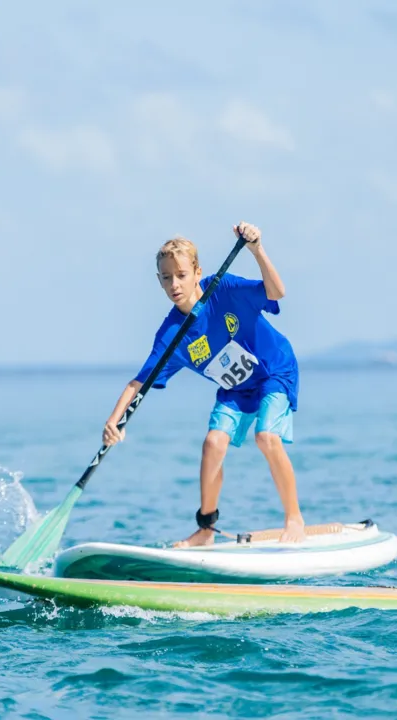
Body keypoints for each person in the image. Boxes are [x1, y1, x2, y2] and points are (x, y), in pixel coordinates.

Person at [102, 222, 304, 546]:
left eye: (181, 274)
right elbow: (139, 381)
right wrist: (114, 422)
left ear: (198, 272)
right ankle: (206, 529)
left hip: (274, 370)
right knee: (212, 444)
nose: (174, 284)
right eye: (166, 277)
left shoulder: (222, 289)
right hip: (238, 389)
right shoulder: (171, 335)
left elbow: (276, 292)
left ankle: (294, 518)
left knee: (266, 436)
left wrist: (256, 249)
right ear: (159, 281)